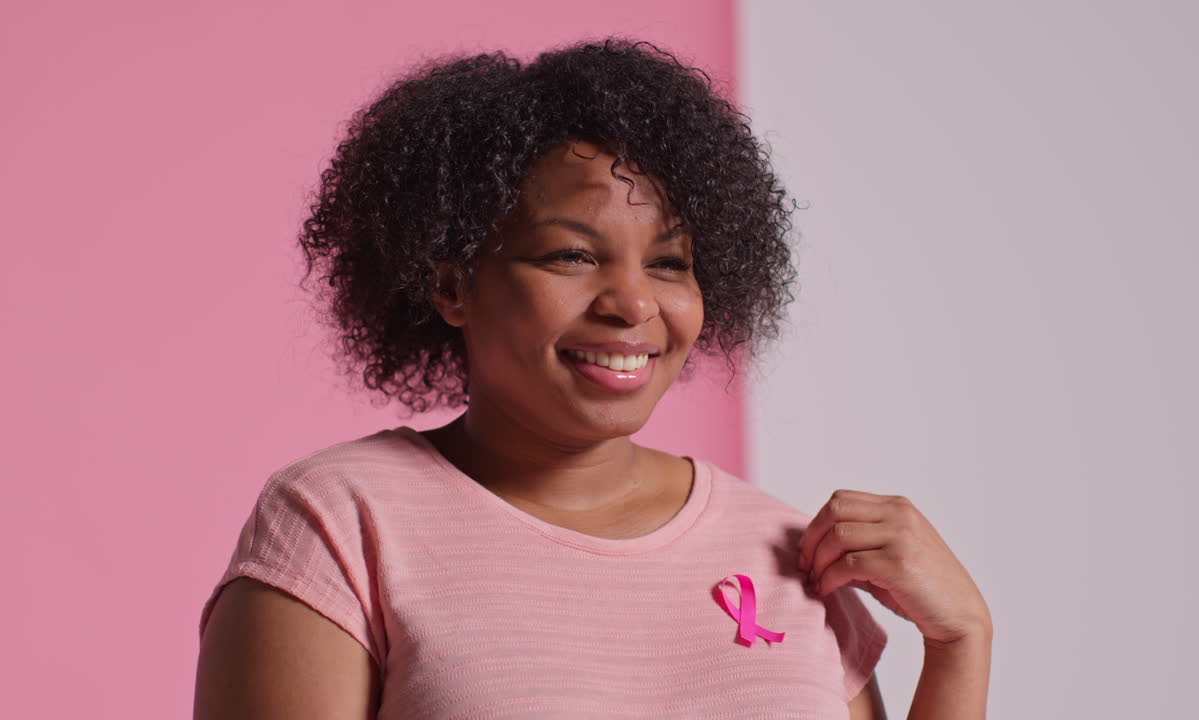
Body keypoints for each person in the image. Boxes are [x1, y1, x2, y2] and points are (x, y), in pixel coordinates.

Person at [193, 39, 992, 719]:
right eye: (572, 255)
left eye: (670, 262)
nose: (634, 302)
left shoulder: (789, 551)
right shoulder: (342, 520)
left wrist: (959, 647)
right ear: (453, 287)